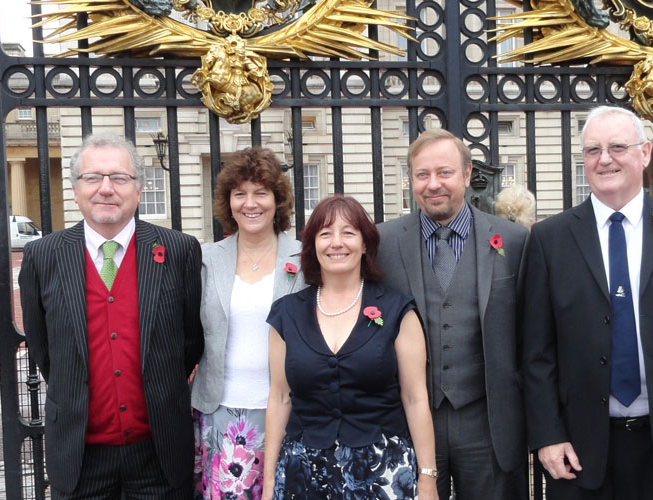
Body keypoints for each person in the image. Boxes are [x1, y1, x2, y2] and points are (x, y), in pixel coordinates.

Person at [521, 106, 653, 499]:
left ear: (645, 153)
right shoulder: (550, 239)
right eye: (592, 150)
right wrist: (547, 436)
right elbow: (537, 352)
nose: (604, 159)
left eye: (617, 147)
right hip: (578, 451)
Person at [19, 132, 203, 499]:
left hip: (159, 451)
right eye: (93, 178)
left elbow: (190, 340)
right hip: (79, 454)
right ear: (75, 190)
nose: (106, 188)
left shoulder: (179, 250)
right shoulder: (43, 256)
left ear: (138, 190)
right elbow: (42, 349)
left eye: (119, 178)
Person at [376, 129, 529, 499]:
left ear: (466, 174)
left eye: (444, 172)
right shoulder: (383, 243)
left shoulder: (514, 240)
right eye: (422, 175)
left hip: (488, 422)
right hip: (409, 420)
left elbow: (532, 335)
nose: (433, 185)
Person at [263, 195, 437, 500]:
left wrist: (427, 479)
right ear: (313, 244)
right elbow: (279, 399)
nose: (336, 242)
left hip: (383, 471)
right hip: (302, 473)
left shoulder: (398, 310)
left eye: (348, 232)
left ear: (365, 243)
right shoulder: (286, 313)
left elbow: (414, 398)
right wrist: (267, 487)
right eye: (325, 233)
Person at [190, 147, 304, 500]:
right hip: (219, 413)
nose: (250, 203)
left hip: (286, 410)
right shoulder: (205, 259)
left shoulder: (304, 258)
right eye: (240, 194)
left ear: (277, 200)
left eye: (261, 193)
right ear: (229, 202)